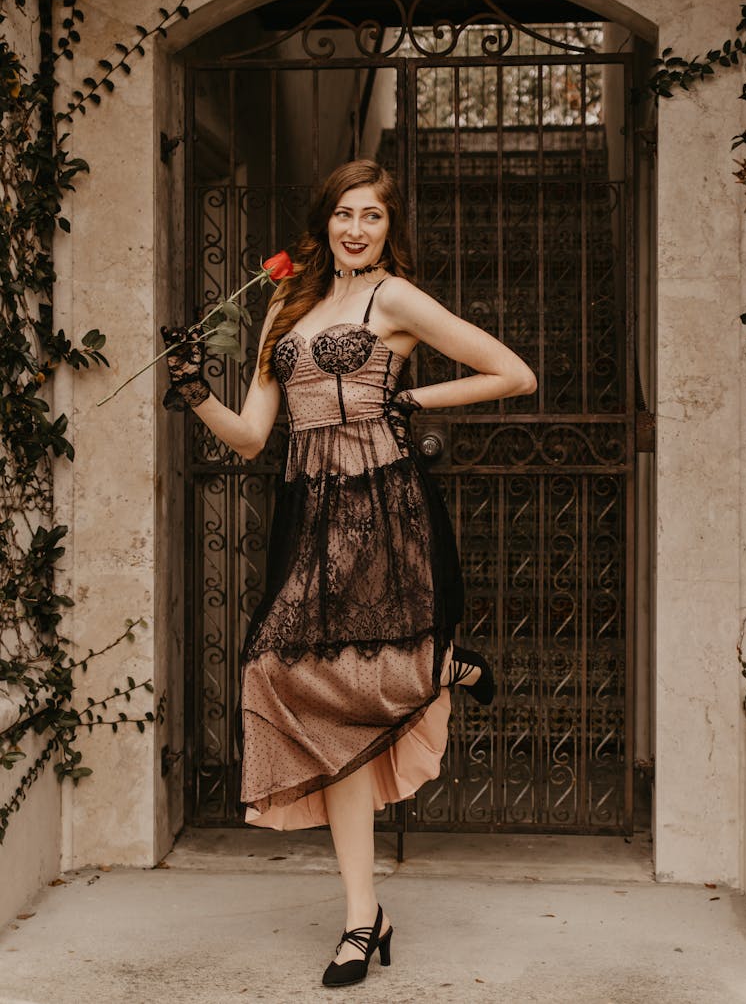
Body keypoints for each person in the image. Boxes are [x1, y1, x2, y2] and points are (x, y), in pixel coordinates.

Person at [161, 159, 537, 988]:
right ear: (323, 221)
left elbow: (514, 372)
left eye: (370, 215)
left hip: (384, 506)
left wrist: (414, 403)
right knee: (280, 674)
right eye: (342, 214)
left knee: (342, 680)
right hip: (309, 511)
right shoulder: (284, 305)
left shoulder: (393, 298)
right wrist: (194, 391)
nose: (355, 228)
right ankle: (440, 673)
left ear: (386, 226)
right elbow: (257, 435)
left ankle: (359, 919)